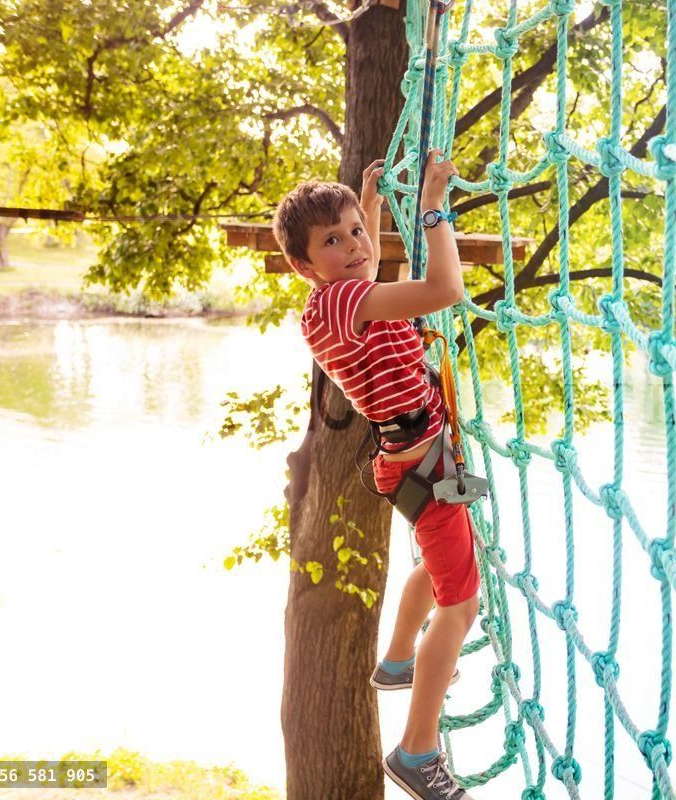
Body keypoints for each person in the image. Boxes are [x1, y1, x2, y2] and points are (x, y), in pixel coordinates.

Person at [273, 149, 478, 800]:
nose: (355, 245)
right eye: (332, 241)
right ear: (304, 266)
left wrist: (370, 208)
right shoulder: (348, 304)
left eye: (355, 232)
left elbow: (358, 266)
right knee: (462, 602)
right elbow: (445, 290)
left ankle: (395, 662)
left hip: (409, 457)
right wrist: (431, 208)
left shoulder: (329, 304)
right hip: (420, 458)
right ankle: (417, 751)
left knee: (439, 562)